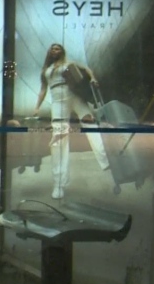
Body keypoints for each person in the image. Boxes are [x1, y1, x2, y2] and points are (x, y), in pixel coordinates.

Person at [32, 43, 109, 200]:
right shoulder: (46, 71)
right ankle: (59, 184)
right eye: (53, 48)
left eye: (58, 48)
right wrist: (37, 107)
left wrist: (93, 78)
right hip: (57, 101)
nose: (55, 50)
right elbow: (42, 90)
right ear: (49, 51)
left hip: (73, 95)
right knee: (59, 140)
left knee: (91, 125)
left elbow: (86, 69)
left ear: (62, 51)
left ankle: (105, 159)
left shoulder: (69, 64)